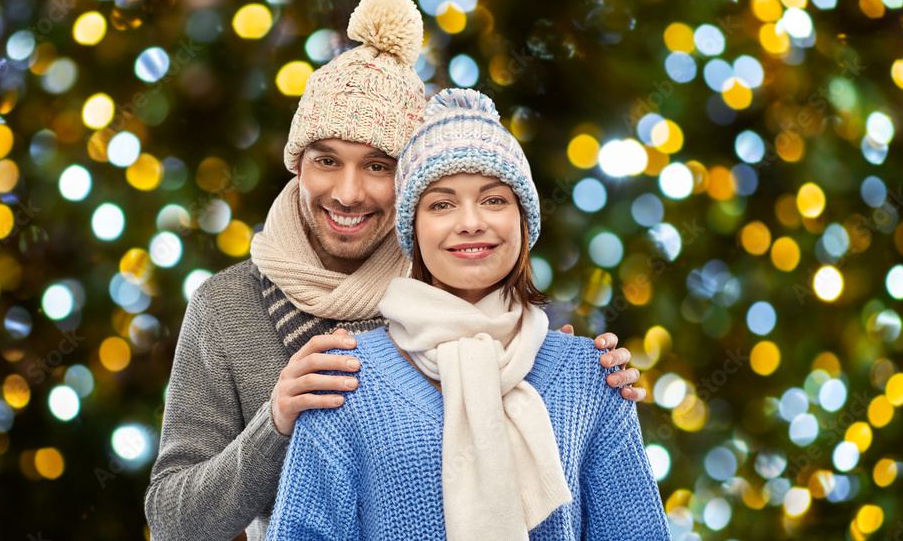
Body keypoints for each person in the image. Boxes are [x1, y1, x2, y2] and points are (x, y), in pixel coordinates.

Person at [145, 0, 645, 541]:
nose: (348, 192)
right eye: (326, 160)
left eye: (378, 166)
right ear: (298, 164)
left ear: (411, 184)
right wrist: (277, 421)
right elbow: (172, 520)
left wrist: (545, 363)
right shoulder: (227, 307)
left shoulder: (454, 275)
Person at [265, 89, 670, 541]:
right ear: (413, 230)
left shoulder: (593, 377)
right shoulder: (346, 380)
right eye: (441, 204)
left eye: (494, 200)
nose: (471, 222)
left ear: (523, 220)